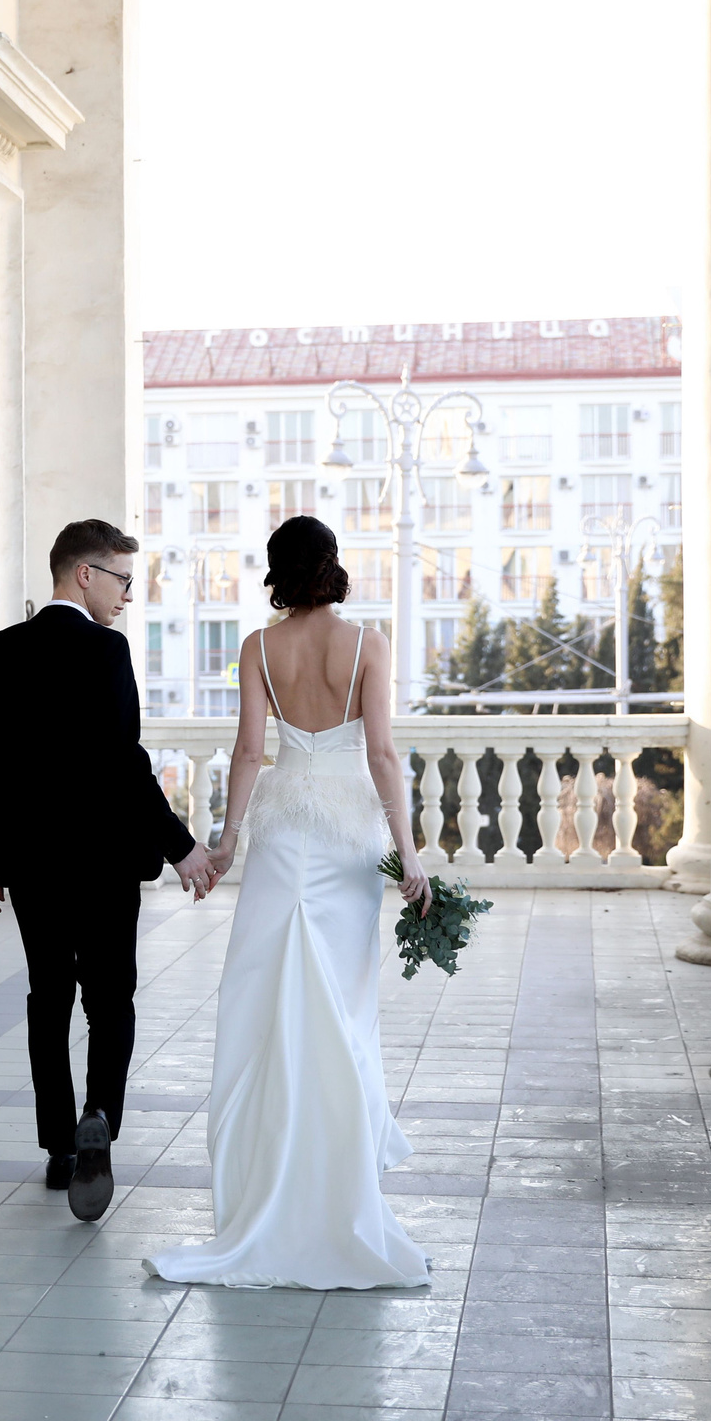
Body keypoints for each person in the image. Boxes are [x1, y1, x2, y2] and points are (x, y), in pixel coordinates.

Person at [145, 514, 433, 1289]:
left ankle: (268, 1180)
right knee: (341, 1004)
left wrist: (227, 839)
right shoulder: (369, 642)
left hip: (281, 834)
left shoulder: (258, 649)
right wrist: (410, 856)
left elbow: (247, 752)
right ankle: (338, 1183)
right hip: (345, 839)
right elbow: (380, 753)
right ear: (332, 565)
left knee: (268, 1001)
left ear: (277, 572)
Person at [0, 520, 215, 1221]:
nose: (128, 596)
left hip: (32, 867)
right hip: (102, 864)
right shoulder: (106, 651)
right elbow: (121, 762)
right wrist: (180, 844)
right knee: (111, 1000)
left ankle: (59, 1150)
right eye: (123, 579)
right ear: (84, 574)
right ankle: (98, 1115)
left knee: (49, 997)